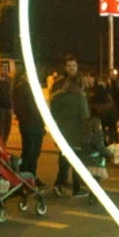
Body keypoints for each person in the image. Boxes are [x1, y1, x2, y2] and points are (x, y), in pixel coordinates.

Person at [49, 60, 91, 198]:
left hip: (62, 128)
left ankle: (59, 184)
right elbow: (84, 115)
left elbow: (52, 108)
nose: (72, 68)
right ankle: (76, 188)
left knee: (63, 157)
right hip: (75, 129)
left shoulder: (57, 91)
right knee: (77, 158)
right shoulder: (78, 95)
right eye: (69, 65)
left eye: (74, 65)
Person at [12, 69, 45, 182]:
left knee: (34, 152)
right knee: (30, 152)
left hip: (34, 124)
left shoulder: (30, 87)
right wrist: (32, 120)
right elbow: (23, 109)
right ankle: (26, 177)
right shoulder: (23, 88)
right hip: (30, 125)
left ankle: (31, 176)